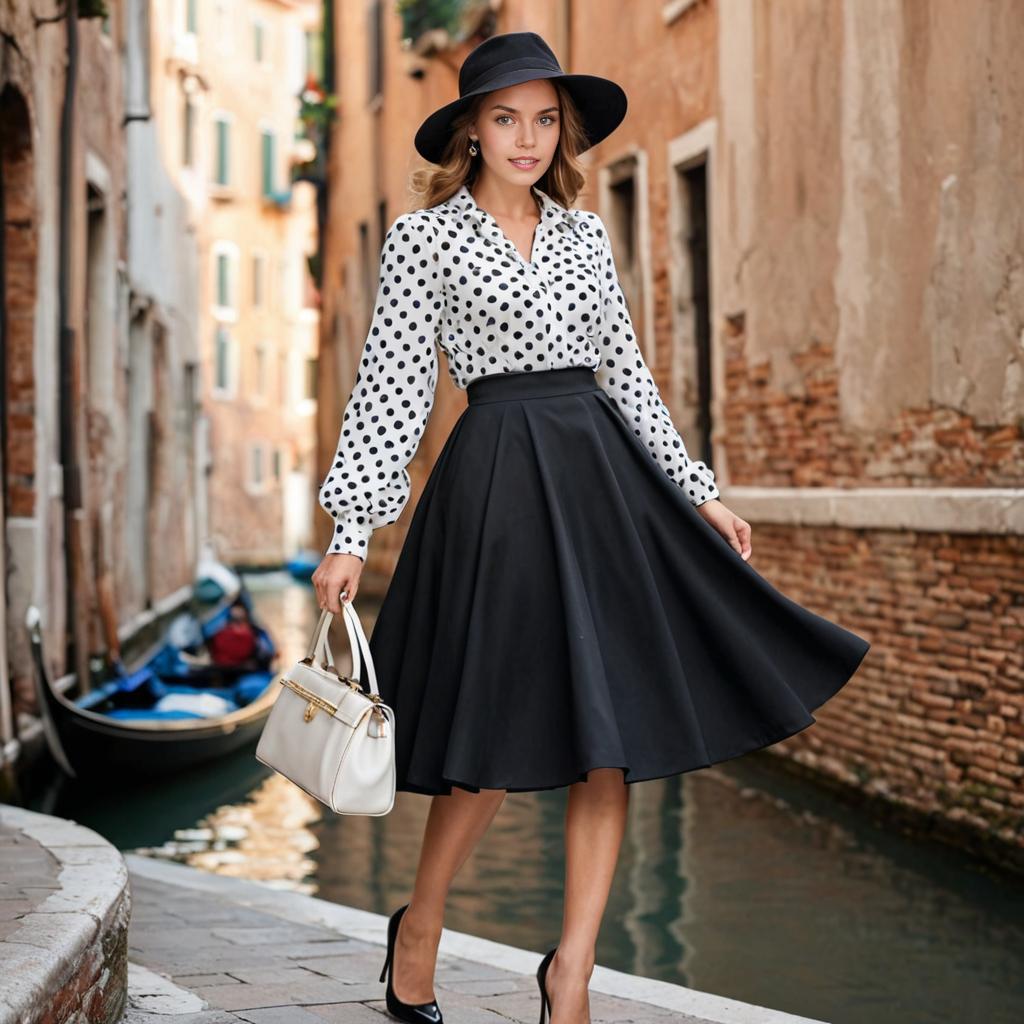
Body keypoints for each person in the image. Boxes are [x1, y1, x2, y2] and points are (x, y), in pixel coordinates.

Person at [311, 31, 871, 1024]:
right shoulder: (424, 239)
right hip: (495, 493)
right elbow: (391, 390)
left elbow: (627, 374)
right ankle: (420, 927)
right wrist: (353, 526)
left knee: (608, 735)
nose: (526, 137)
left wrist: (697, 489)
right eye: (503, 118)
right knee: (483, 739)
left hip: (603, 487)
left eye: (542, 119)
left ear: (559, 130)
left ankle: (571, 972)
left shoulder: (583, 235)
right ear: (471, 132)